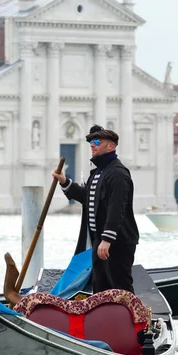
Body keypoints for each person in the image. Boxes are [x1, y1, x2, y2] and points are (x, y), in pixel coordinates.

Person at [52, 124, 139, 294]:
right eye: (91, 142)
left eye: (97, 141)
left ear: (110, 146)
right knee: (100, 288)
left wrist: (107, 239)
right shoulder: (99, 173)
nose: (92, 145)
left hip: (117, 242)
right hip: (99, 242)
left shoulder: (118, 173)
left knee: (120, 287)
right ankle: (105, 320)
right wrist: (64, 181)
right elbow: (87, 197)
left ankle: (131, 319)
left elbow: (117, 208)